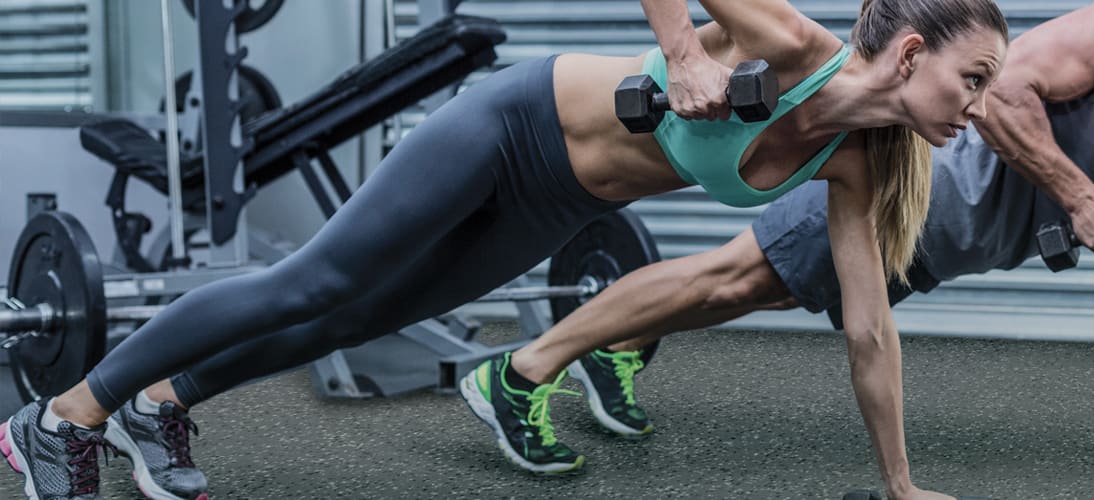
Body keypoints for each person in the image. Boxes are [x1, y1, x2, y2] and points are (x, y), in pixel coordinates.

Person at [0, 0, 1010, 498]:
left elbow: (870, 329)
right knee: (317, 279)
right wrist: (690, 49)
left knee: (363, 314)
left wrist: (900, 483)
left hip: (557, 198)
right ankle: (60, 415)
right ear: (914, 53)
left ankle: (159, 403)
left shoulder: (861, 165)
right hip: (511, 121)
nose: (979, 105)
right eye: (974, 77)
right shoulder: (790, 45)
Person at [498, 0, 1094, 496]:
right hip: (913, 188)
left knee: (761, 286)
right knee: (734, 276)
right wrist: (1078, 196)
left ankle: (616, 350)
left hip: (947, 249)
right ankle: (529, 365)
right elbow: (999, 91)